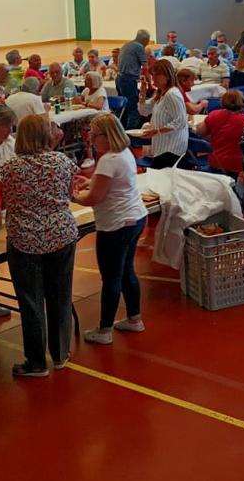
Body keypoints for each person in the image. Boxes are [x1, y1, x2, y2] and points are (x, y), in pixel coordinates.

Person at [0, 115, 79, 376]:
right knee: (60, 296)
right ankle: (60, 353)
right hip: (60, 235)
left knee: (31, 301)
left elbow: (1, 202)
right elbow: (71, 193)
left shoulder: (9, 168)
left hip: (25, 240)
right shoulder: (63, 162)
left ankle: (36, 361)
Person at [72, 114, 149, 344]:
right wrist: (90, 182)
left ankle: (104, 330)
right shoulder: (123, 154)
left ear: (106, 136)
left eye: (94, 136)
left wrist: (74, 195)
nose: (91, 140)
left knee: (112, 276)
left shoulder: (108, 160)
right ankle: (135, 319)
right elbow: (106, 183)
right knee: (126, 270)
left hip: (116, 224)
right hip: (135, 217)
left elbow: (93, 198)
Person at [138, 59, 189, 169]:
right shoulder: (161, 92)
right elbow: (144, 111)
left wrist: (157, 131)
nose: (153, 79)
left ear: (167, 76)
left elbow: (180, 121)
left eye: (156, 75)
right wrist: (142, 93)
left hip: (172, 149)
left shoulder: (172, 94)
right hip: (162, 147)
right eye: (152, 75)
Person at [196, 90, 244, 176]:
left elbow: (200, 132)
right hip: (235, 165)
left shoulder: (214, 115)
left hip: (216, 162)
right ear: (242, 102)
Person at [117, 30, 151, 130]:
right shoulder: (139, 47)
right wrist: (150, 84)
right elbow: (145, 67)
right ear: (145, 40)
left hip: (119, 78)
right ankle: (131, 136)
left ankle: (120, 131)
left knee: (124, 108)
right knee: (135, 109)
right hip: (128, 80)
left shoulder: (126, 45)